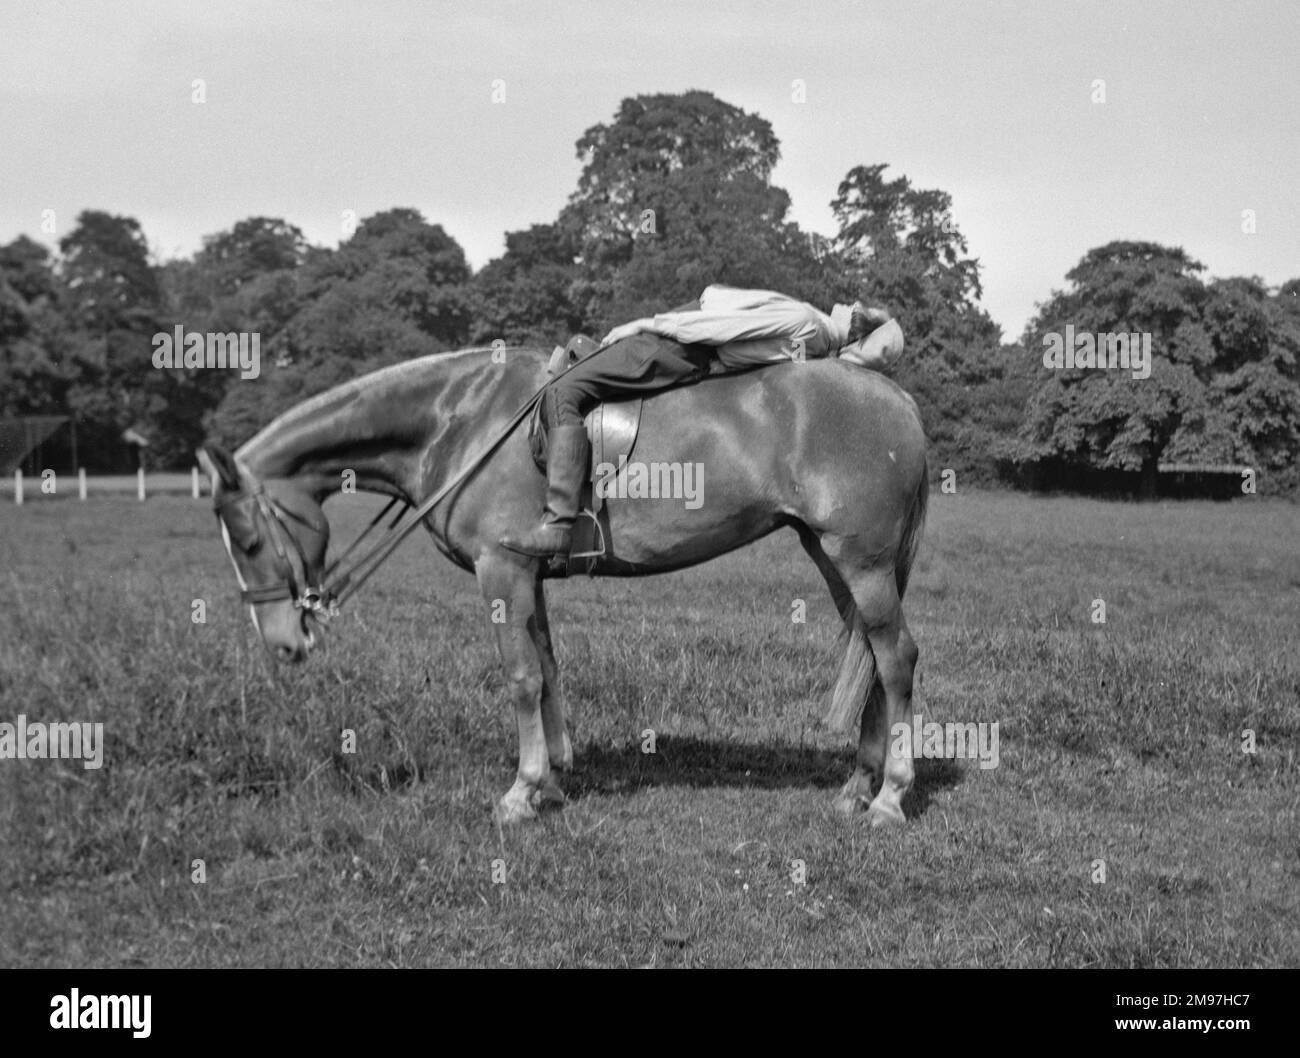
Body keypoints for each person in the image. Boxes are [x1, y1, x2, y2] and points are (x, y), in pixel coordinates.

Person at [499, 284, 905, 559]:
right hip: (686, 348)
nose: (851, 304)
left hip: (677, 342)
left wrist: (644, 325)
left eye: (858, 310)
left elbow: (719, 327)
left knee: (561, 392)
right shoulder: (816, 341)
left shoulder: (807, 322)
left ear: (853, 324)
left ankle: (559, 523)